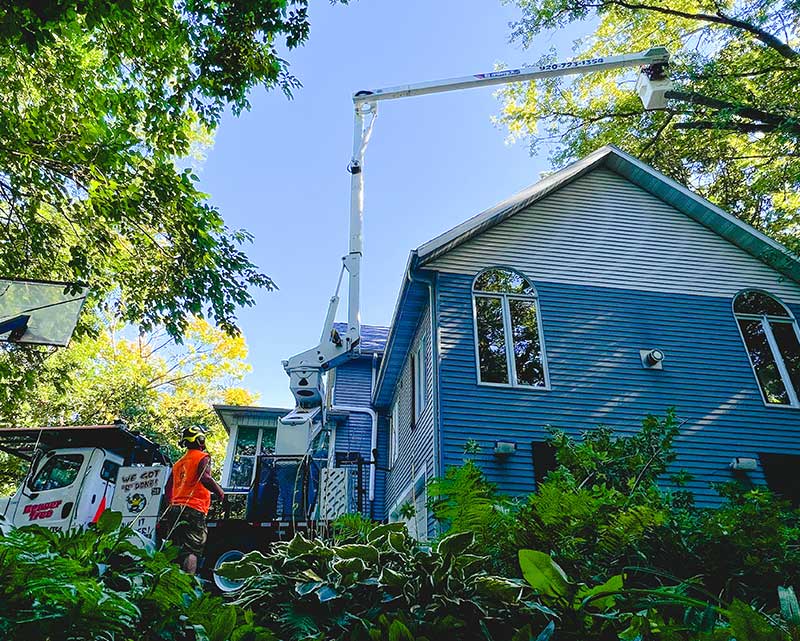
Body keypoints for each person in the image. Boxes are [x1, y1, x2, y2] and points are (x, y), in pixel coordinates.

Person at [158, 426, 225, 575]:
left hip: (175, 509)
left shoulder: (178, 463)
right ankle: (188, 584)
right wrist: (220, 492)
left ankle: (169, 584)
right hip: (193, 509)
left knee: (175, 550)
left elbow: (168, 487)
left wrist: (170, 506)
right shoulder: (203, 457)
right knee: (191, 550)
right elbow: (205, 477)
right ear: (200, 439)